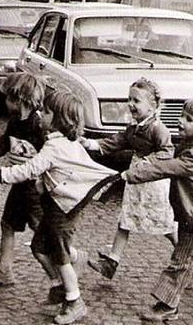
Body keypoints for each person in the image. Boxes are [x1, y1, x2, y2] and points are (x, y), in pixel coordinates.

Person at [0, 89, 117, 325]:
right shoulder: (62, 142)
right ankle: (62, 281)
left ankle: (74, 301)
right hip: (57, 205)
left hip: (64, 209)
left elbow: (29, 169)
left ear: (59, 119)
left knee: (58, 253)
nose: (40, 114)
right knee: (38, 247)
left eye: (46, 111)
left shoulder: (55, 146)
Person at [121, 98, 193, 321]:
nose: (180, 121)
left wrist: (132, 174)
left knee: (181, 263)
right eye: (182, 116)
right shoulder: (189, 146)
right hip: (189, 215)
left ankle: (168, 306)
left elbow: (167, 168)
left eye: (189, 119)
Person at [80, 78, 177, 279]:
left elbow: (168, 151)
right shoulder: (134, 127)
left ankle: (191, 258)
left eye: (137, 101)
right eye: (129, 99)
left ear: (153, 106)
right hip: (136, 178)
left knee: (164, 223)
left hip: (154, 181)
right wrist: (90, 144)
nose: (131, 104)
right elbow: (116, 142)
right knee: (126, 218)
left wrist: (149, 160)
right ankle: (112, 262)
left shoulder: (158, 129)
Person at [0, 73, 47, 287]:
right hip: (19, 185)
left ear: (19, 99)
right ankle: (4, 270)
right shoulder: (15, 121)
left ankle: (69, 262)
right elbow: (4, 142)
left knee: (42, 231)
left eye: (7, 98)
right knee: (7, 224)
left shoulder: (38, 125)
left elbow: (49, 155)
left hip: (36, 189)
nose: (4, 102)